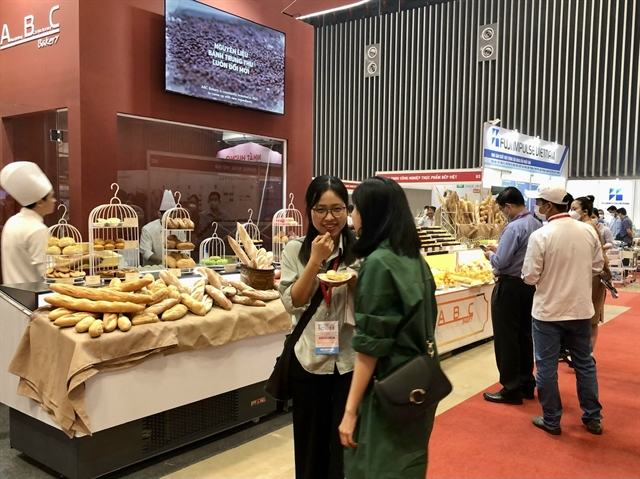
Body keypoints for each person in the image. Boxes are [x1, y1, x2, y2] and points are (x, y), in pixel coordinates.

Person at [339, 176, 439, 479]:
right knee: (409, 461)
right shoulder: (413, 257)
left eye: (355, 208)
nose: (351, 215)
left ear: (371, 213)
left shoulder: (379, 263)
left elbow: (370, 347)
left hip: (389, 387)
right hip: (419, 382)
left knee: (377, 466)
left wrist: (349, 411)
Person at [278, 175, 357, 479]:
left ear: (347, 210)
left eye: (337, 209)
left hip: (349, 360)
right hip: (309, 358)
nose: (329, 218)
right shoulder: (294, 249)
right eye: (320, 209)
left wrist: (356, 283)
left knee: (345, 446)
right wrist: (315, 261)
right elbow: (293, 302)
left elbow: (372, 305)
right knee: (310, 446)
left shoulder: (359, 249)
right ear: (309, 211)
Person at [522, 185, 604, 436]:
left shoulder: (541, 235)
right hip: (580, 309)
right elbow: (597, 266)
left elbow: (529, 276)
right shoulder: (587, 231)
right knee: (584, 364)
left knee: (546, 367)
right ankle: (593, 417)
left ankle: (552, 419)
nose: (538, 207)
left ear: (548, 206)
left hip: (548, 311)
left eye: (539, 203)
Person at [482, 187, 541, 405]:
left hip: (508, 287)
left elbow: (502, 262)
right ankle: (526, 383)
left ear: (508, 206)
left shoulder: (514, 227)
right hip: (528, 287)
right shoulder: (536, 224)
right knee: (524, 336)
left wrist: (490, 254)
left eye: (501, 209)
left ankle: (511, 388)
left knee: (506, 338)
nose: (502, 214)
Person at [0, 162, 57, 284]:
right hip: (32, 293)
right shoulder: (37, 229)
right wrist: (83, 260)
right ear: (40, 202)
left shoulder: (12, 222)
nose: (54, 200)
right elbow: (48, 272)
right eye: (51, 197)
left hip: (10, 292)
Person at [570, 196, 609, 350]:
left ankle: (587, 353)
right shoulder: (584, 226)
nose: (571, 212)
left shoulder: (588, 227)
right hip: (588, 274)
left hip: (593, 276)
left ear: (585, 212)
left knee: (590, 317)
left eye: (574, 209)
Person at [139, 190, 176, 266]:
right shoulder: (148, 229)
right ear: (159, 214)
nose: (171, 218)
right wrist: (162, 260)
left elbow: (184, 249)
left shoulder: (179, 229)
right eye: (167, 214)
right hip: (153, 267)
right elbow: (145, 251)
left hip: (175, 267)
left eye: (173, 214)